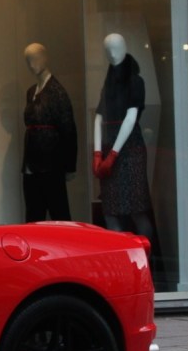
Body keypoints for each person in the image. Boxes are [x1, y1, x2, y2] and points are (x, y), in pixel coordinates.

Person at [92, 33, 154, 240]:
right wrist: (98, 152)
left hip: (129, 151)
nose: (111, 53)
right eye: (107, 49)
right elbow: (98, 117)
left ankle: (147, 257)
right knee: (110, 209)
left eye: (115, 48)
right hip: (112, 147)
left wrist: (111, 155)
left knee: (137, 208)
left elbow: (130, 118)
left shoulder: (136, 82)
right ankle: (119, 259)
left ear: (125, 48)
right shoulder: (107, 85)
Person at [21, 42, 77, 221]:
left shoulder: (57, 92)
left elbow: (68, 129)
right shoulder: (31, 92)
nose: (31, 65)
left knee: (58, 212)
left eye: (35, 59)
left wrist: (70, 165)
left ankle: (65, 247)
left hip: (51, 162)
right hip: (31, 163)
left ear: (45, 59)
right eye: (27, 60)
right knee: (33, 213)